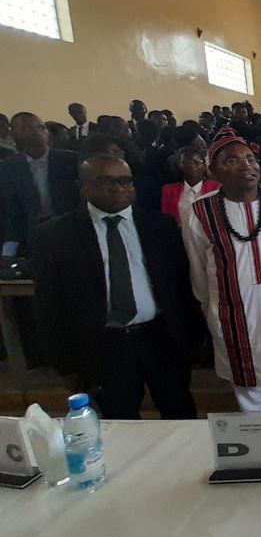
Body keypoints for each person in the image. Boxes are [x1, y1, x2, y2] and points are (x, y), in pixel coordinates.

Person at [32, 154, 198, 420]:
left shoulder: (161, 226)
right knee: (119, 419)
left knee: (179, 411)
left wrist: (191, 340)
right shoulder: (55, 235)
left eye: (125, 181)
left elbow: (182, 288)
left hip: (160, 337)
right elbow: (49, 304)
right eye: (105, 181)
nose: (118, 188)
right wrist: (65, 364)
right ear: (82, 187)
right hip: (104, 345)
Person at [181, 129, 261, 413]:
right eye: (232, 160)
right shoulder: (199, 212)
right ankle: (257, 437)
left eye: (250, 158)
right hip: (232, 315)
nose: (246, 165)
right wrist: (209, 305)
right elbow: (198, 268)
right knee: (248, 389)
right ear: (213, 171)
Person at [0, 112, 80, 257]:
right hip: (30, 237)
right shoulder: (8, 167)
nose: (37, 132)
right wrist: (8, 249)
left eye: (41, 127)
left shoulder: (70, 160)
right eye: (27, 128)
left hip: (71, 232)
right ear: (14, 133)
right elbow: (11, 212)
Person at [161, 146, 219, 225]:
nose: (193, 165)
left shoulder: (217, 188)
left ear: (204, 166)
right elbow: (166, 221)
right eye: (188, 162)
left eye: (197, 162)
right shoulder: (168, 190)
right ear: (179, 165)